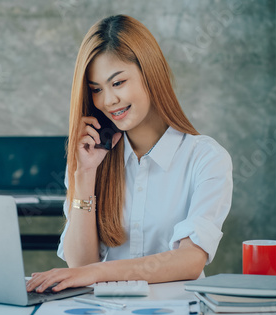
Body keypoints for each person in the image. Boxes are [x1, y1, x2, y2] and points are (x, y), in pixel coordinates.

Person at [26, 14, 233, 293]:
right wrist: (85, 175)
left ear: (150, 73)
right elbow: (80, 264)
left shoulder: (206, 158)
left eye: (118, 83)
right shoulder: (92, 159)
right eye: (96, 89)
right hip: (104, 314)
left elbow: (190, 260)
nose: (108, 101)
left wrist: (97, 272)